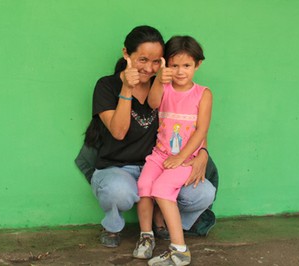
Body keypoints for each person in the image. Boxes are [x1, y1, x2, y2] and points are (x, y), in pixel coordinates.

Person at [75, 25, 216, 249]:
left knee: (204, 193)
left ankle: (162, 219)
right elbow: (119, 131)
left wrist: (203, 154)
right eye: (142, 60)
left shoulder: (164, 84)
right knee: (120, 192)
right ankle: (113, 226)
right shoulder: (106, 86)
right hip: (118, 168)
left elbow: (191, 121)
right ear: (126, 55)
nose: (149, 68)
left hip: (161, 164)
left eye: (156, 61)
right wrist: (127, 88)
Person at [133, 35, 212, 266]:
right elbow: (153, 103)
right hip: (159, 154)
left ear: (197, 65)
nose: (180, 71)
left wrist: (181, 157)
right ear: (166, 64)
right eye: (174, 65)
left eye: (186, 65)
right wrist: (159, 79)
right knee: (144, 185)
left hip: (186, 159)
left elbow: (201, 130)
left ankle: (179, 250)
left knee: (162, 188)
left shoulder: (203, 94)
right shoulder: (165, 87)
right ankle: (146, 237)